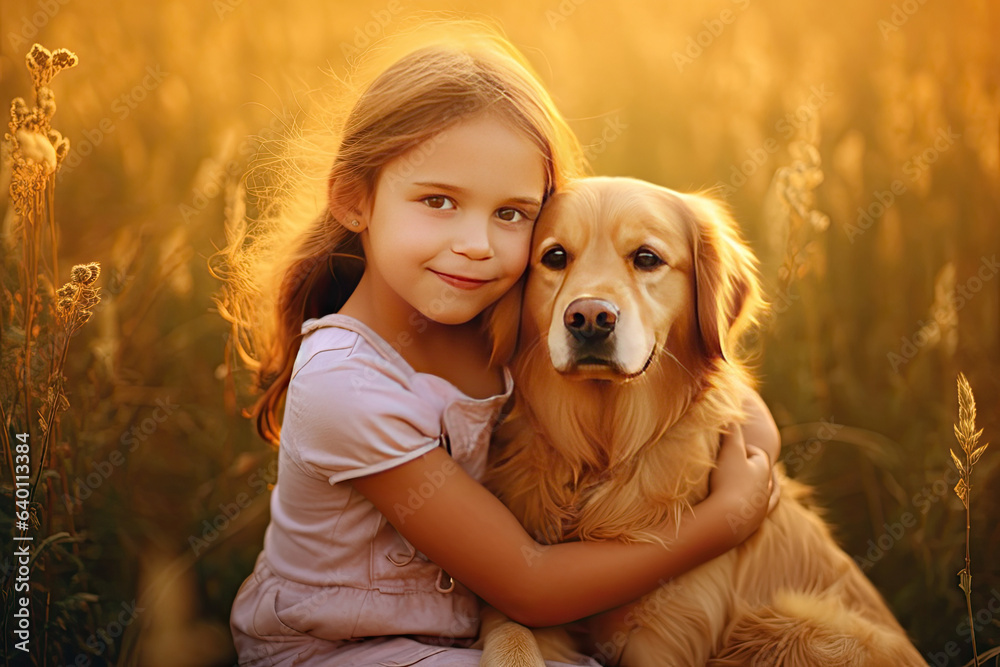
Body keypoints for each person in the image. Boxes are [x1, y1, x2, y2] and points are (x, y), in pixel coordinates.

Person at [220, 18, 780, 667]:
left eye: (510, 213)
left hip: (478, 635)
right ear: (354, 199)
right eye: (438, 201)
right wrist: (725, 519)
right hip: (346, 646)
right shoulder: (346, 382)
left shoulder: (503, 315)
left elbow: (728, 399)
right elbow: (530, 584)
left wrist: (755, 461)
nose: (477, 243)